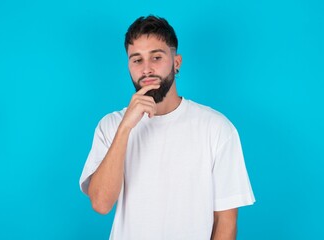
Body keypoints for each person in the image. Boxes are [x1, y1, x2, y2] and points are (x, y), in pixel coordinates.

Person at [79, 15, 255, 240]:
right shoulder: (111, 125)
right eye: (137, 60)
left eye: (156, 57)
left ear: (176, 63)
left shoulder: (217, 128)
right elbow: (101, 204)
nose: (147, 69)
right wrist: (125, 129)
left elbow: (226, 223)